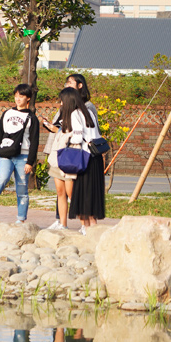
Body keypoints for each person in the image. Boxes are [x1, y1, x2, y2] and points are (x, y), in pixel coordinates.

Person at [41, 73, 99, 230]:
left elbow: (78, 135)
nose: (60, 102)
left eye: (69, 83)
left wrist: (65, 134)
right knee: (60, 192)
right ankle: (62, 223)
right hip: (59, 155)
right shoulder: (65, 111)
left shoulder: (84, 110)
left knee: (74, 194)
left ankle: (86, 226)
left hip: (72, 157)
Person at [0, 84, 39, 223]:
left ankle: (21, 219)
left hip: (23, 156)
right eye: (16, 95)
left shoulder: (31, 118)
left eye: (21, 96)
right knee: (3, 177)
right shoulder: (7, 113)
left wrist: (30, 162)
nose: (18, 99)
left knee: (22, 188)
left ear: (28, 98)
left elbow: (34, 141)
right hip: (5, 153)